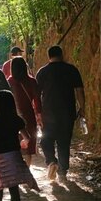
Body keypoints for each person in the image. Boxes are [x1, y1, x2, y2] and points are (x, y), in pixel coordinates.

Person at [35, 45, 85, 182]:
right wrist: (82, 107)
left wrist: (38, 112)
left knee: (46, 140)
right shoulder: (71, 69)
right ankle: (62, 172)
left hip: (48, 113)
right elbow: (79, 91)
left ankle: (51, 161)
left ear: (48, 56)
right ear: (62, 55)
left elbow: (36, 95)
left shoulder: (42, 72)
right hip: (67, 113)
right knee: (64, 142)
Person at [7, 57, 42, 166]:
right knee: (28, 147)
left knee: (14, 146)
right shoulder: (32, 81)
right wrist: (39, 115)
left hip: (12, 116)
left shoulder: (9, 81)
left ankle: (16, 172)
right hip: (28, 116)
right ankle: (26, 171)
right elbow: (37, 100)